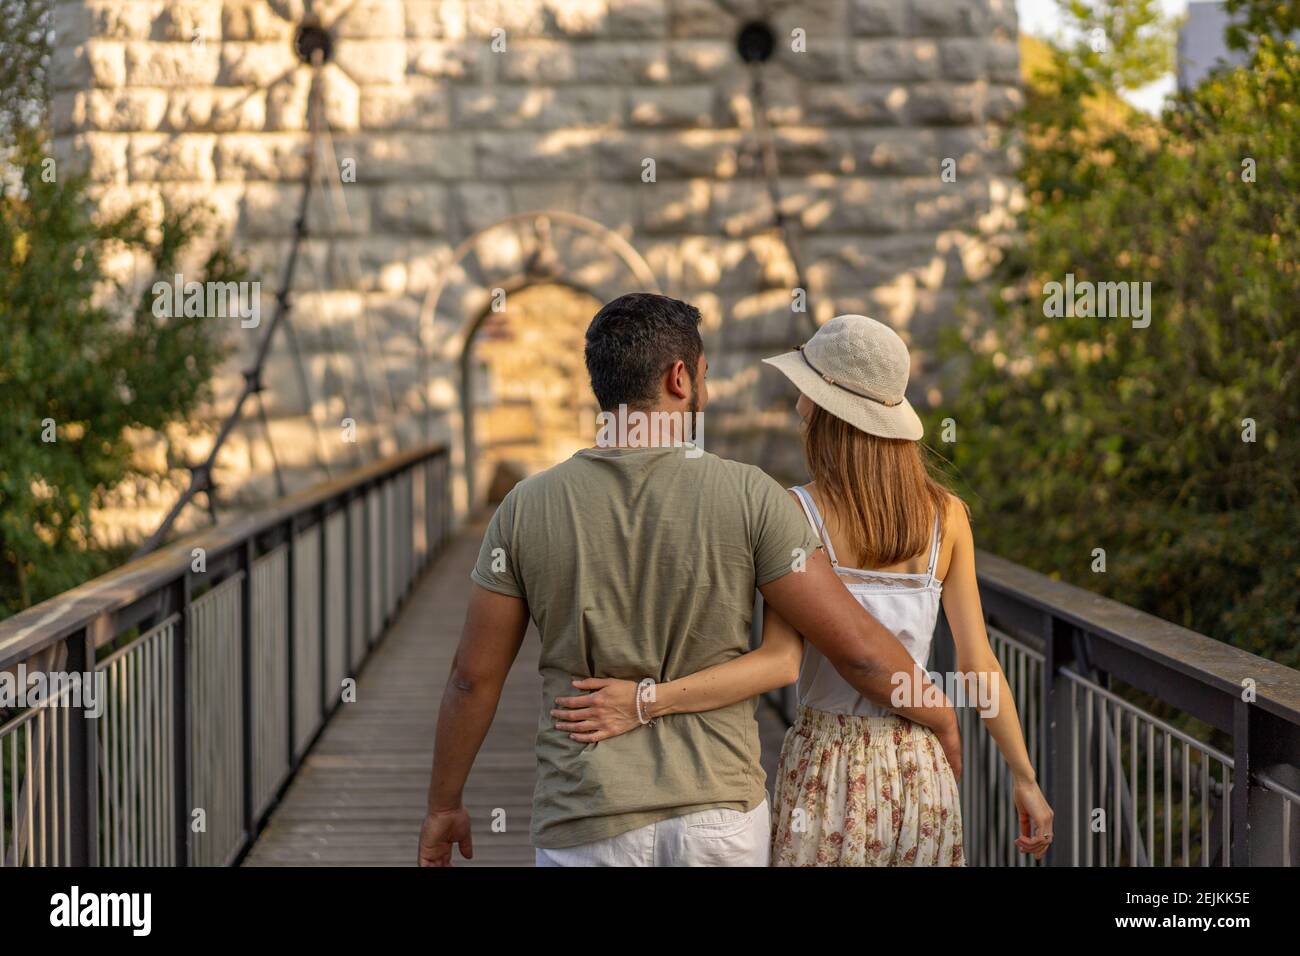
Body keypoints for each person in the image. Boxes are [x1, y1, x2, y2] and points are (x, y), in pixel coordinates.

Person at [417, 294, 960, 867]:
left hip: (586, 816)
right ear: (680, 378)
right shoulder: (752, 496)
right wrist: (941, 714)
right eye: (704, 374)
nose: (708, 386)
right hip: (718, 818)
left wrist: (443, 805)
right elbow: (860, 653)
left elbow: (472, 680)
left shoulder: (525, 507)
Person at [553, 313, 1053, 866]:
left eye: (805, 392)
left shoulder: (798, 514)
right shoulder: (947, 516)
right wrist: (1023, 776)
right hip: (919, 765)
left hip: (828, 766)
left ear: (826, 408)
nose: (797, 406)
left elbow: (782, 660)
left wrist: (647, 701)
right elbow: (978, 661)